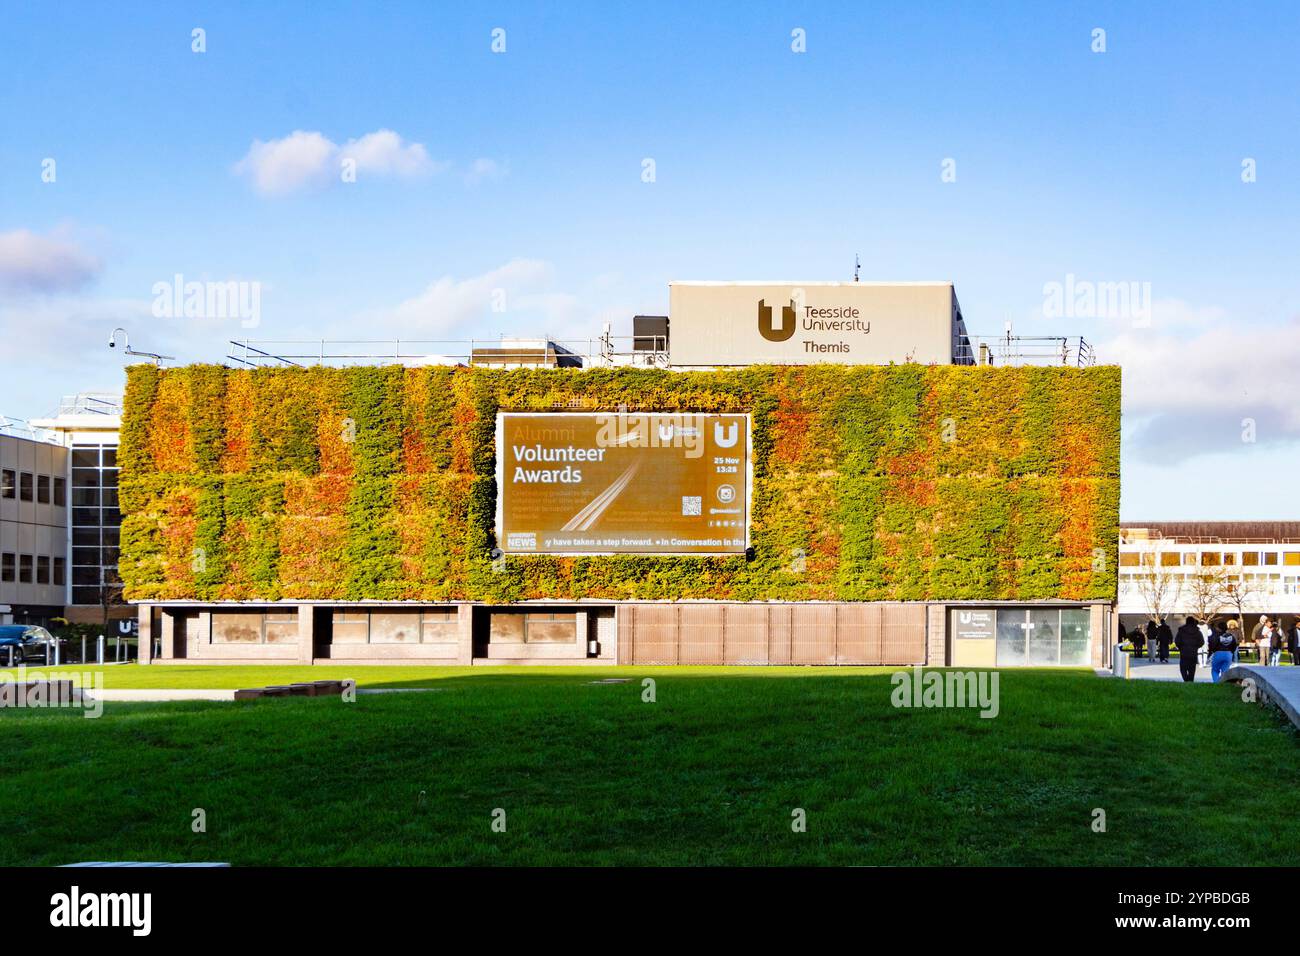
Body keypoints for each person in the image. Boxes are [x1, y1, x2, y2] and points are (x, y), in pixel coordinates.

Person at [1174, 616, 1203, 682]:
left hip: (1184, 652)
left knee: (1183, 668)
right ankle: (1190, 680)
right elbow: (1201, 642)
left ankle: (1186, 680)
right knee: (1192, 668)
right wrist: (1196, 647)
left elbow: (1177, 641)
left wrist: (1180, 647)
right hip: (1193, 652)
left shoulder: (1181, 630)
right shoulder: (1197, 631)